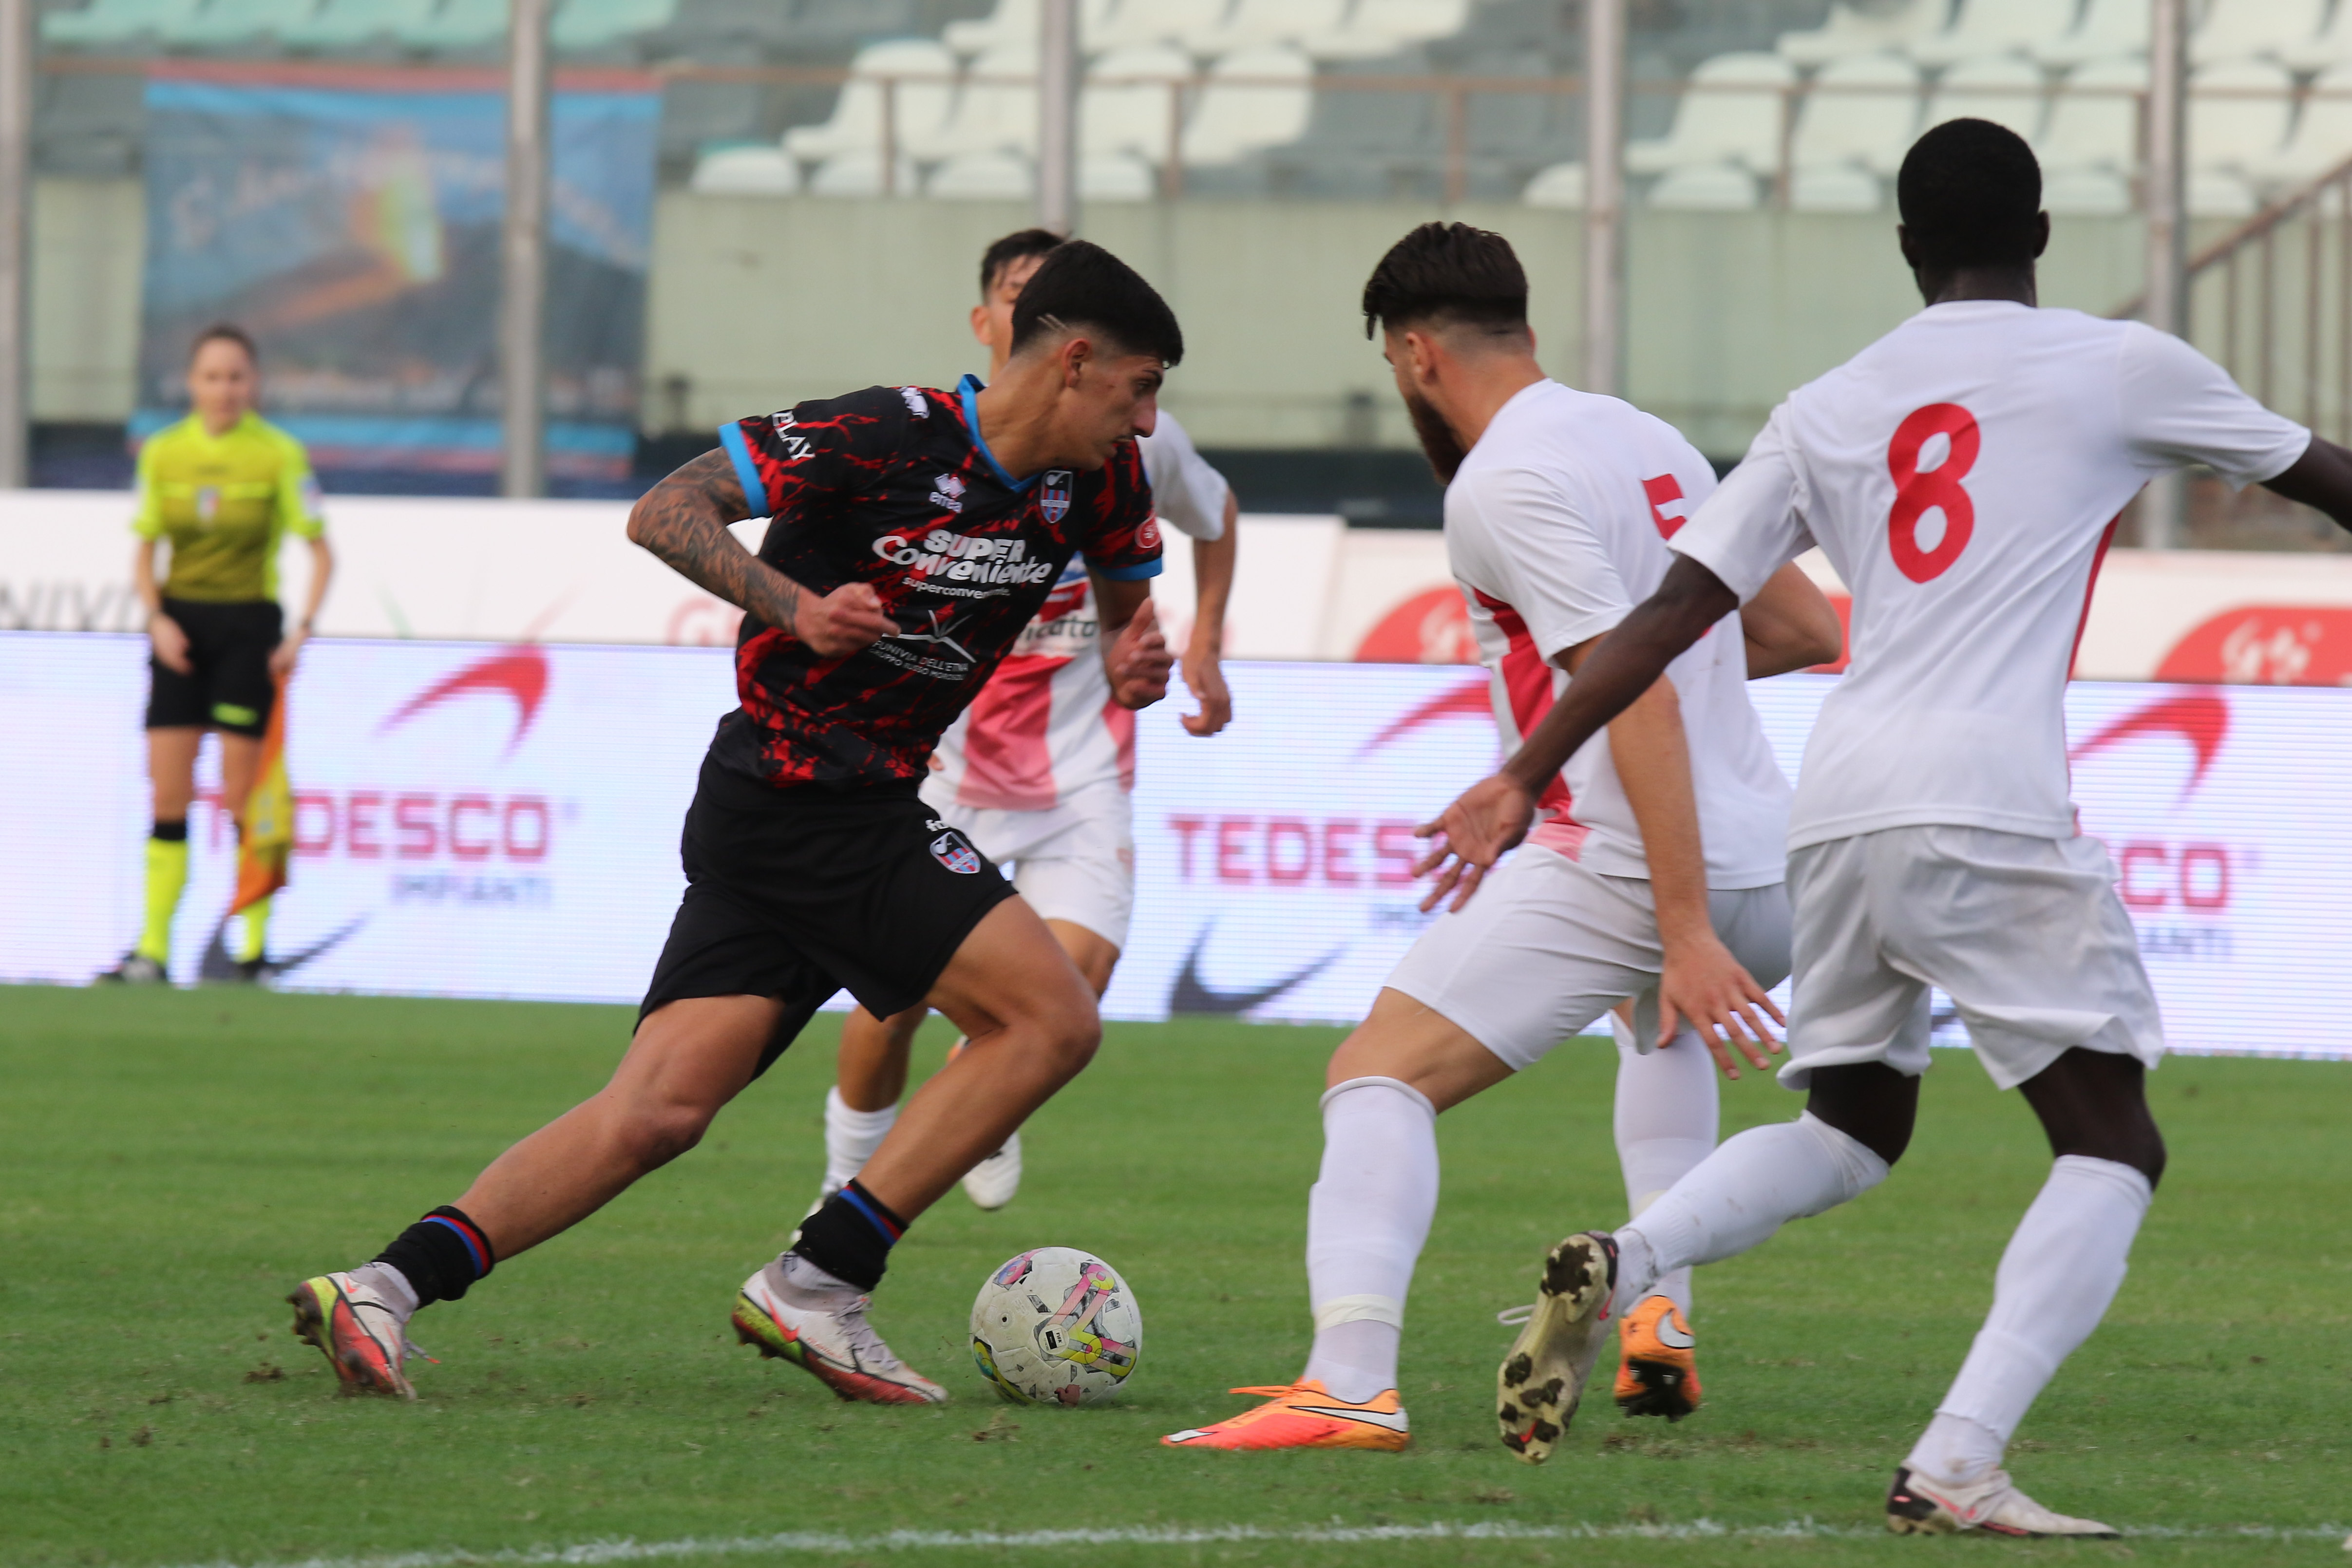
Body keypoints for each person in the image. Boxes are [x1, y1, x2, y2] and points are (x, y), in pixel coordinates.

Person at [1413, 120, 2352, 1536]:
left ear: (1907, 252)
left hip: (1837, 804)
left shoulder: (1826, 403)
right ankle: (1956, 1455)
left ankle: (1628, 1253)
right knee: (2111, 1142)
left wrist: (1523, 764)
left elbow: (1667, 615)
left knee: (1855, 1122)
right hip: (1987, 798)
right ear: (2039, 233)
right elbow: (2326, 480)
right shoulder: (2118, 363)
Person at [287, 240, 1181, 1406]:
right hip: (813, 800)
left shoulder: (1098, 484)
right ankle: (821, 1280)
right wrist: (795, 603)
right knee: (1050, 1019)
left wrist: (1133, 660)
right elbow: (666, 508)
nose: (1151, 422)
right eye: (1140, 388)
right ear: (1073, 363)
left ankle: (383, 1286)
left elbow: (1125, 612)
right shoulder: (879, 434)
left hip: (805, 813)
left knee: (654, 1109)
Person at [1162, 223, 1842, 1455]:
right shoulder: (1647, 438)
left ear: (1415, 353)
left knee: (1376, 1075)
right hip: (1775, 858)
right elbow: (1800, 629)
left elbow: (1632, 692)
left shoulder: (1500, 483)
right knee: (1655, 1024)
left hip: (1637, 866)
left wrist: (1680, 922)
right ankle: (1657, 1313)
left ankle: (1348, 1379)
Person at [815, 228, 1239, 1216]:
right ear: (987, 321)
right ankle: (841, 1180)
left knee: (1071, 982)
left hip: (1080, 764)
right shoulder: (925, 448)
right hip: (941, 762)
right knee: (890, 1003)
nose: (1029, 311)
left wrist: (1199, 641)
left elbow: (1215, 514)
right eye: (1015, 293)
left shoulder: (1133, 442)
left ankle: (985, 1084)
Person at [97, 323, 333, 986]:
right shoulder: (164, 454)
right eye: (212, 377)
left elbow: (320, 552)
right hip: (180, 628)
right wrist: (155, 619)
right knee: (167, 793)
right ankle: (152, 950)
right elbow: (145, 550)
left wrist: (300, 632)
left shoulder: (278, 456)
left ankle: (250, 950)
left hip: (247, 630)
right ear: (192, 383)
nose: (224, 390)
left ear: (253, 384)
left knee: (240, 798)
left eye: (236, 377)